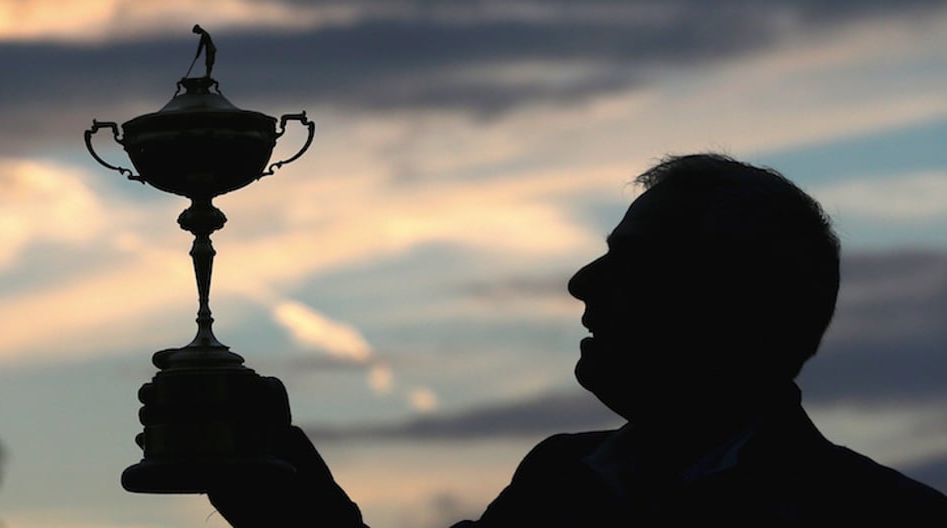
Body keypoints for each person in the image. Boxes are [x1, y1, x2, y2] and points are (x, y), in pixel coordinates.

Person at [200, 153, 947, 526]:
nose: (581, 282)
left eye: (632, 263)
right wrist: (295, 506)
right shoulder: (559, 477)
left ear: (728, 304)